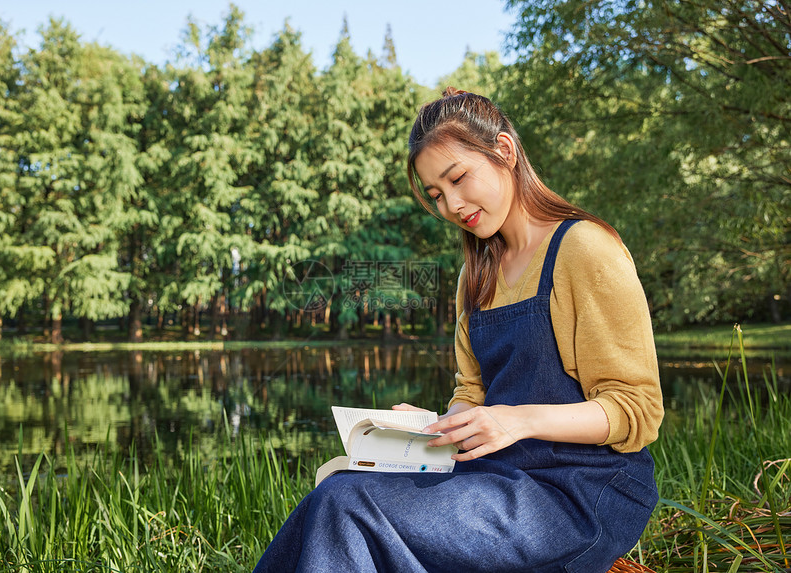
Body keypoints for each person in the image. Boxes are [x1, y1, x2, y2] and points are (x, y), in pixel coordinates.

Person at [253, 89, 664, 573]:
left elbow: (638, 410)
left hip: (579, 493)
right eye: (436, 195)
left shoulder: (584, 249)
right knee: (334, 492)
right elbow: (471, 392)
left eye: (458, 178)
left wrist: (516, 420)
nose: (451, 205)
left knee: (350, 505)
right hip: (495, 477)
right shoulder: (476, 277)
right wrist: (436, 428)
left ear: (505, 152)